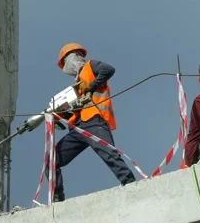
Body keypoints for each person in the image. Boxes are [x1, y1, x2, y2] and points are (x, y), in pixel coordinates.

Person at [45, 42, 136, 202]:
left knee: (109, 154)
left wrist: (92, 85)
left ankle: (130, 184)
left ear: (70, 57)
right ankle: (57, 198)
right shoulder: (75, 85)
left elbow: (108, 70)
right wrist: (58, 114)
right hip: (77, 128)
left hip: (94, 120)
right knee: (52, 160)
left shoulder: (90, 66)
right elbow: (73, 111)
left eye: (65, 62)